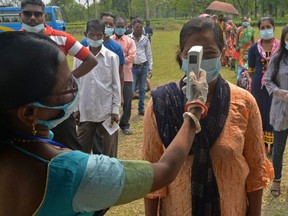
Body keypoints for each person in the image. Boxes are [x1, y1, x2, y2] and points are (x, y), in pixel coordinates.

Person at [0, 30, 206, 215]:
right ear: (29, 112)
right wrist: (194, 111)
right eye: (68, 85)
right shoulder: (74, 173)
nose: (75, 87)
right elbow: (165, 170)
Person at [142, 18, 273, 216]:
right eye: (194, 54)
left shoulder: (244, 103)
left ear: (222, 54)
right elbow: (150, 177)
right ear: (182, 56)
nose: (202, 61)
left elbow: (256, 173)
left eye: (209, 53)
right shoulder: (161, 104)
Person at [20, 0, 97, 150]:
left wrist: (66, 82)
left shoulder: (62, 38)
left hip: (58, 107)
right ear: (20, 15)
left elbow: (90, 60)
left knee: (69, 149)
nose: (33, 18)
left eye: (37, 14)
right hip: (27, 108)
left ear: (44, 16)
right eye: (28, 13)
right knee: (30, 149)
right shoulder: (16, 40)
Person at [74, 19, 120, 157]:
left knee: (110, 152)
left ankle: (110, 176)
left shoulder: (112, 57)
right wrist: (76, 109)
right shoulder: (79, 57)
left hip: (106, 111)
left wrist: (115, 109)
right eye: (91, 35)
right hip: (85, 111)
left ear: (104, 35)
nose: (95, 38)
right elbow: (75, 83)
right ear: (85, 34)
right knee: (81, 151)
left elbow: (116, 85)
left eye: (98, 35)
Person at [248, 17, 280, 155]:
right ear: (259, 30)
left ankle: (272, 145)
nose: (266, 30)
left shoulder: (281, 47)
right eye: (263, 28)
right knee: (259, 112)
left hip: (276, 85)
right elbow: (250, 69)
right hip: (258, 87)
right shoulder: (254, 48)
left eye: (268, 27)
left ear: (273, 27)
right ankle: (261, 145)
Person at [264, 24, 288, 197]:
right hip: (282, 111)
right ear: (284, 38)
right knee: (278, 149)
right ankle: (277, 181)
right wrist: (280, 93)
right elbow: (267, 80)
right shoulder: (277, 58)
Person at [111, 17, 136, 135]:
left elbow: (132, 57)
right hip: (111, 76)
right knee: (111, 100)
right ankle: (110, 123)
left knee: (127, 101)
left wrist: (117, 59)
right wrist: (123, 57)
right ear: (114, 26)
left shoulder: (130, 41)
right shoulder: (110, 40)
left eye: (122, 26)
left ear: (126, 27)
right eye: (118, 26)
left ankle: (124, 124)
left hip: (126, 76)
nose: (120, 28)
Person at [128, 18, 153, 116]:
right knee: (131, 89)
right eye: (137, 27)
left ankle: (141, 109)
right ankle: (128, 108)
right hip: (132, 67)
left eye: (140, 27)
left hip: (143, 66)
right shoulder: (128, 38)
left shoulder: (145, 39)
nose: (139, 29)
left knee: (142, 89)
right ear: (133, 27)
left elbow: (149, 54)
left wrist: (150, 68)